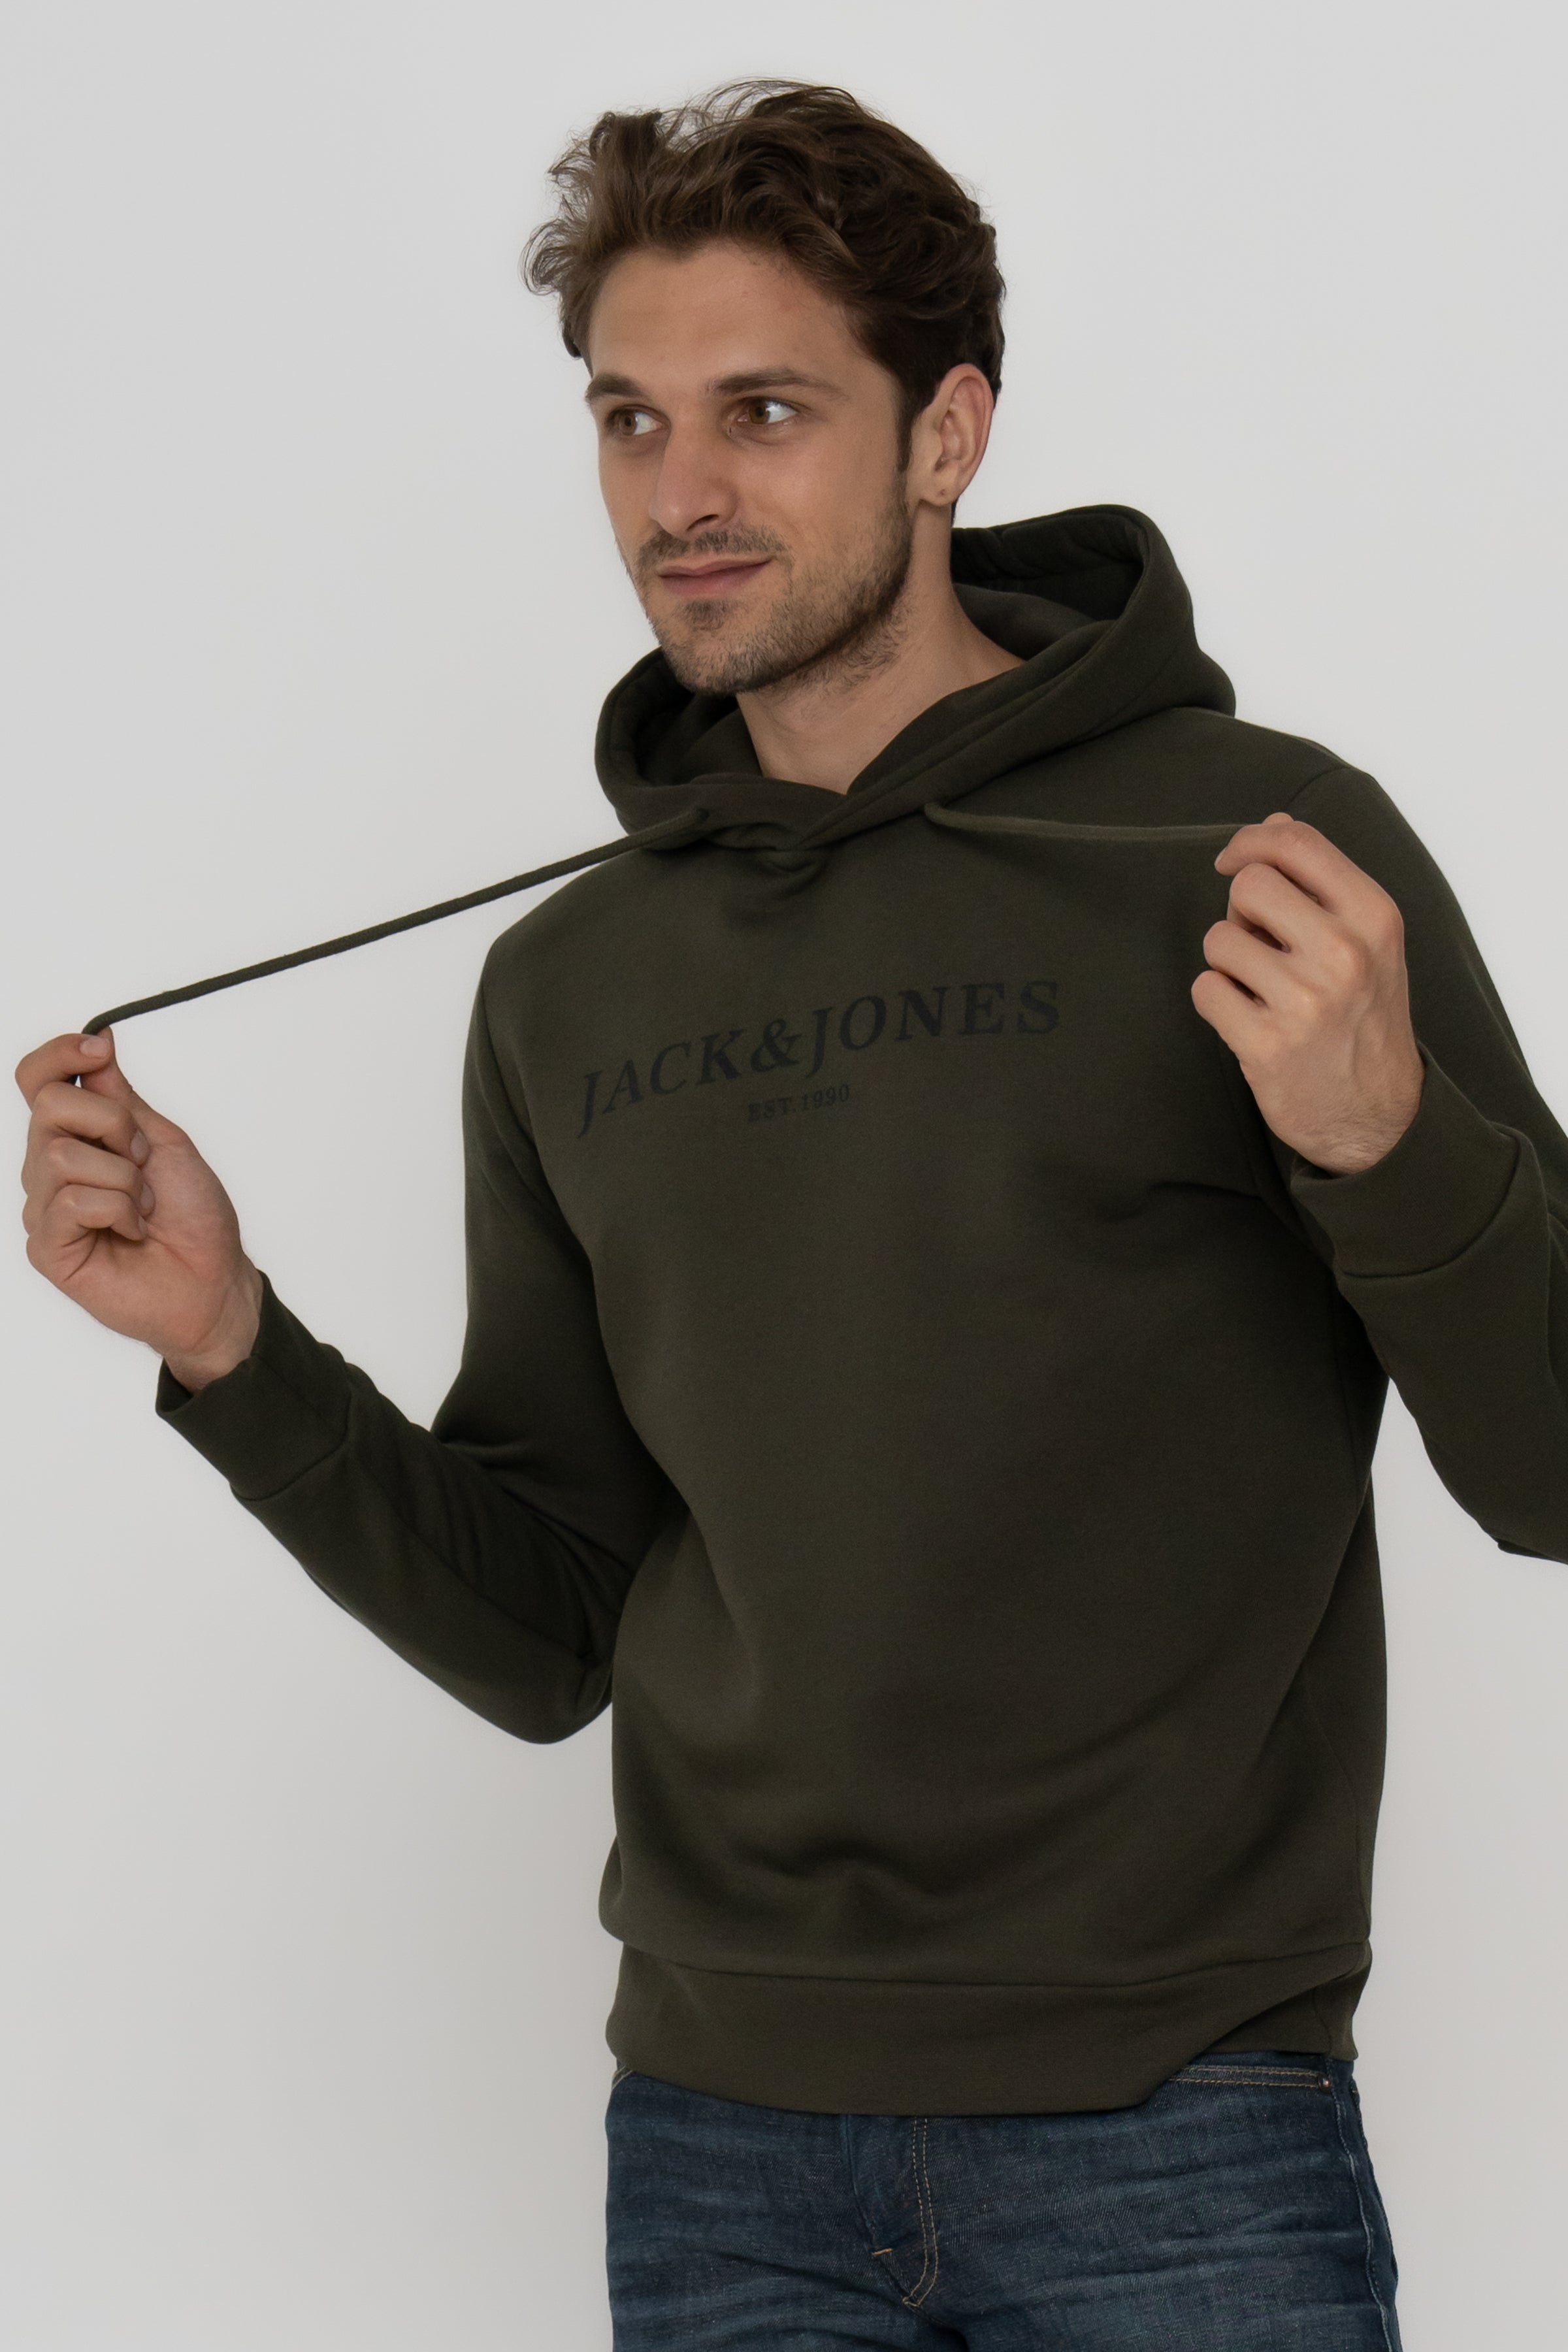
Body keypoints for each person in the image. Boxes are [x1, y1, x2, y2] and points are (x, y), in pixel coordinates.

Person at [16, 77, 1568, 2349]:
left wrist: (1388, 1138)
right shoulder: (571, 984)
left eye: (763, 411)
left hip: (1177, 2125)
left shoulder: (1255, 852)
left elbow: (1554, 1476)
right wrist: (231, 1347)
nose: (684, 496)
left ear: (949, 435)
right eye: (629, 421)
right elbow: (550, 1631)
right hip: (723, 2152)